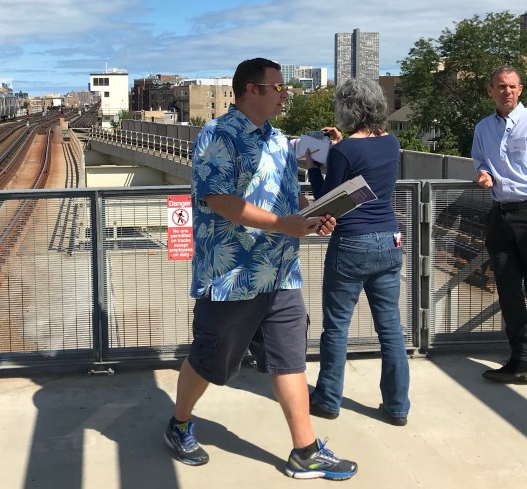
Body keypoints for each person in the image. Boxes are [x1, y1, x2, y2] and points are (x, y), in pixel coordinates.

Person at [164, 58, 358, 481]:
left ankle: (305, 450)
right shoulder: (218, 135)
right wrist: (284, 224)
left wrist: (313, 214)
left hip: (281, 273)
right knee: (211, 362)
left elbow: (289, 197)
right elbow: (219, 200)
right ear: (251, 90)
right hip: (233, 278)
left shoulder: (280, 141)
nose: (284, 94)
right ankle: (179, 423)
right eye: (277, 87)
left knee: (290, 362)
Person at [306, 77, 410, 427]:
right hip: (389, 240)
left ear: (347, 108)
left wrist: (315, 169)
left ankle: (328, 399)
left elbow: (330, 201)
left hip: (351, 243)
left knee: (336, 327)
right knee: (391, 328)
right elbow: (367, 177)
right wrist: (338, 146)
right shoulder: (392, 142)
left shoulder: (346, 150)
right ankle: (397, 406)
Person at [472, 66, 527, 383]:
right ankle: (520, 357)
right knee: (508, 291)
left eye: (512, 86)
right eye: (500, 86)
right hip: (500, 215)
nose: (506, 91)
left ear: (520, 89)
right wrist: (483, 174)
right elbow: (480, 160)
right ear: (490, 91)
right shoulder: (483, 128)